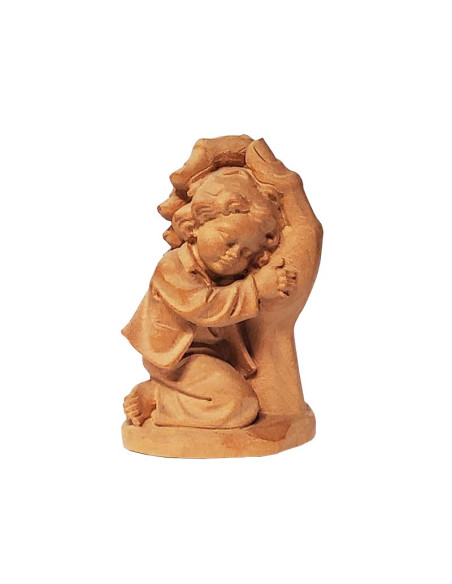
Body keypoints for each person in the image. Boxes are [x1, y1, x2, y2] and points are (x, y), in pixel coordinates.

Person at [122, 167, 297, 429]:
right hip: (177, 360)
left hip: (212, 357)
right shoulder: (172, 267)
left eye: (246, 252)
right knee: (240, 406)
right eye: (228, 240)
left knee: (240, 403)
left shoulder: (226, 275)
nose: (234, 255)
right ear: (196, 225)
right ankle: (157, 397)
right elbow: (205, 307)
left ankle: (170, 396)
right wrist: (257, 288)